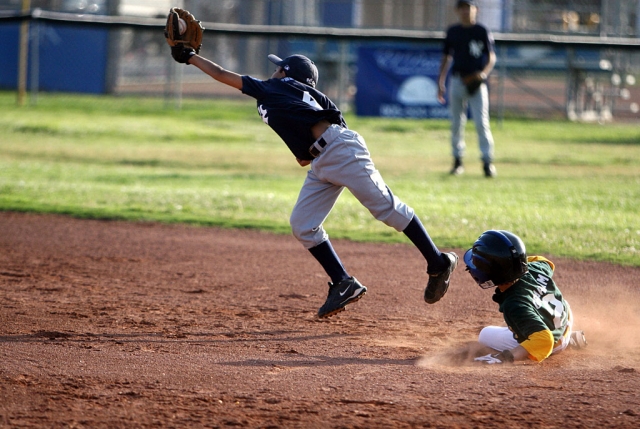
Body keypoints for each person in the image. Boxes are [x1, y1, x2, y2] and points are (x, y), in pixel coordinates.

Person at [168, 45, 458, 318]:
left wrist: (190, 56)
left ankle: (438, 261)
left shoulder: (273, 87)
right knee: (303, 223)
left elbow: (221, 74)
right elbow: (306, 153)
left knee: (384, 207)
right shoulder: (297, 96)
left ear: (286, 74)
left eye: (279, 68)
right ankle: (343, 282)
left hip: (340, 150)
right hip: (324, 159)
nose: (274, 71)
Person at [463, 230, 587, 364]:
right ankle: (569, 337)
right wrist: (515, 264)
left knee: (485, 335)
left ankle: (566, 343)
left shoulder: (514, 303)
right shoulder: (534, 269)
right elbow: (545, 261)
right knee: (522, 316)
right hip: (565, 319)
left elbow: (545, 340)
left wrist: (506, 357)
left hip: (551, 343)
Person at [437, 0, 497, 178]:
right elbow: (446, 57)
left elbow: (491, 57)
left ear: (475, 10)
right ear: (457, 10)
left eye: (468, 7)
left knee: (481, 122)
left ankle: (487, 162)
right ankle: (457, 161)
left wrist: (483, 74)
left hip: (477, 81)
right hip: (457, 80)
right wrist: (441, 81)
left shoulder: (481, 31)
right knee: (456, 123)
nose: (465, 11)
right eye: (462, 8)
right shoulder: (453, 31)